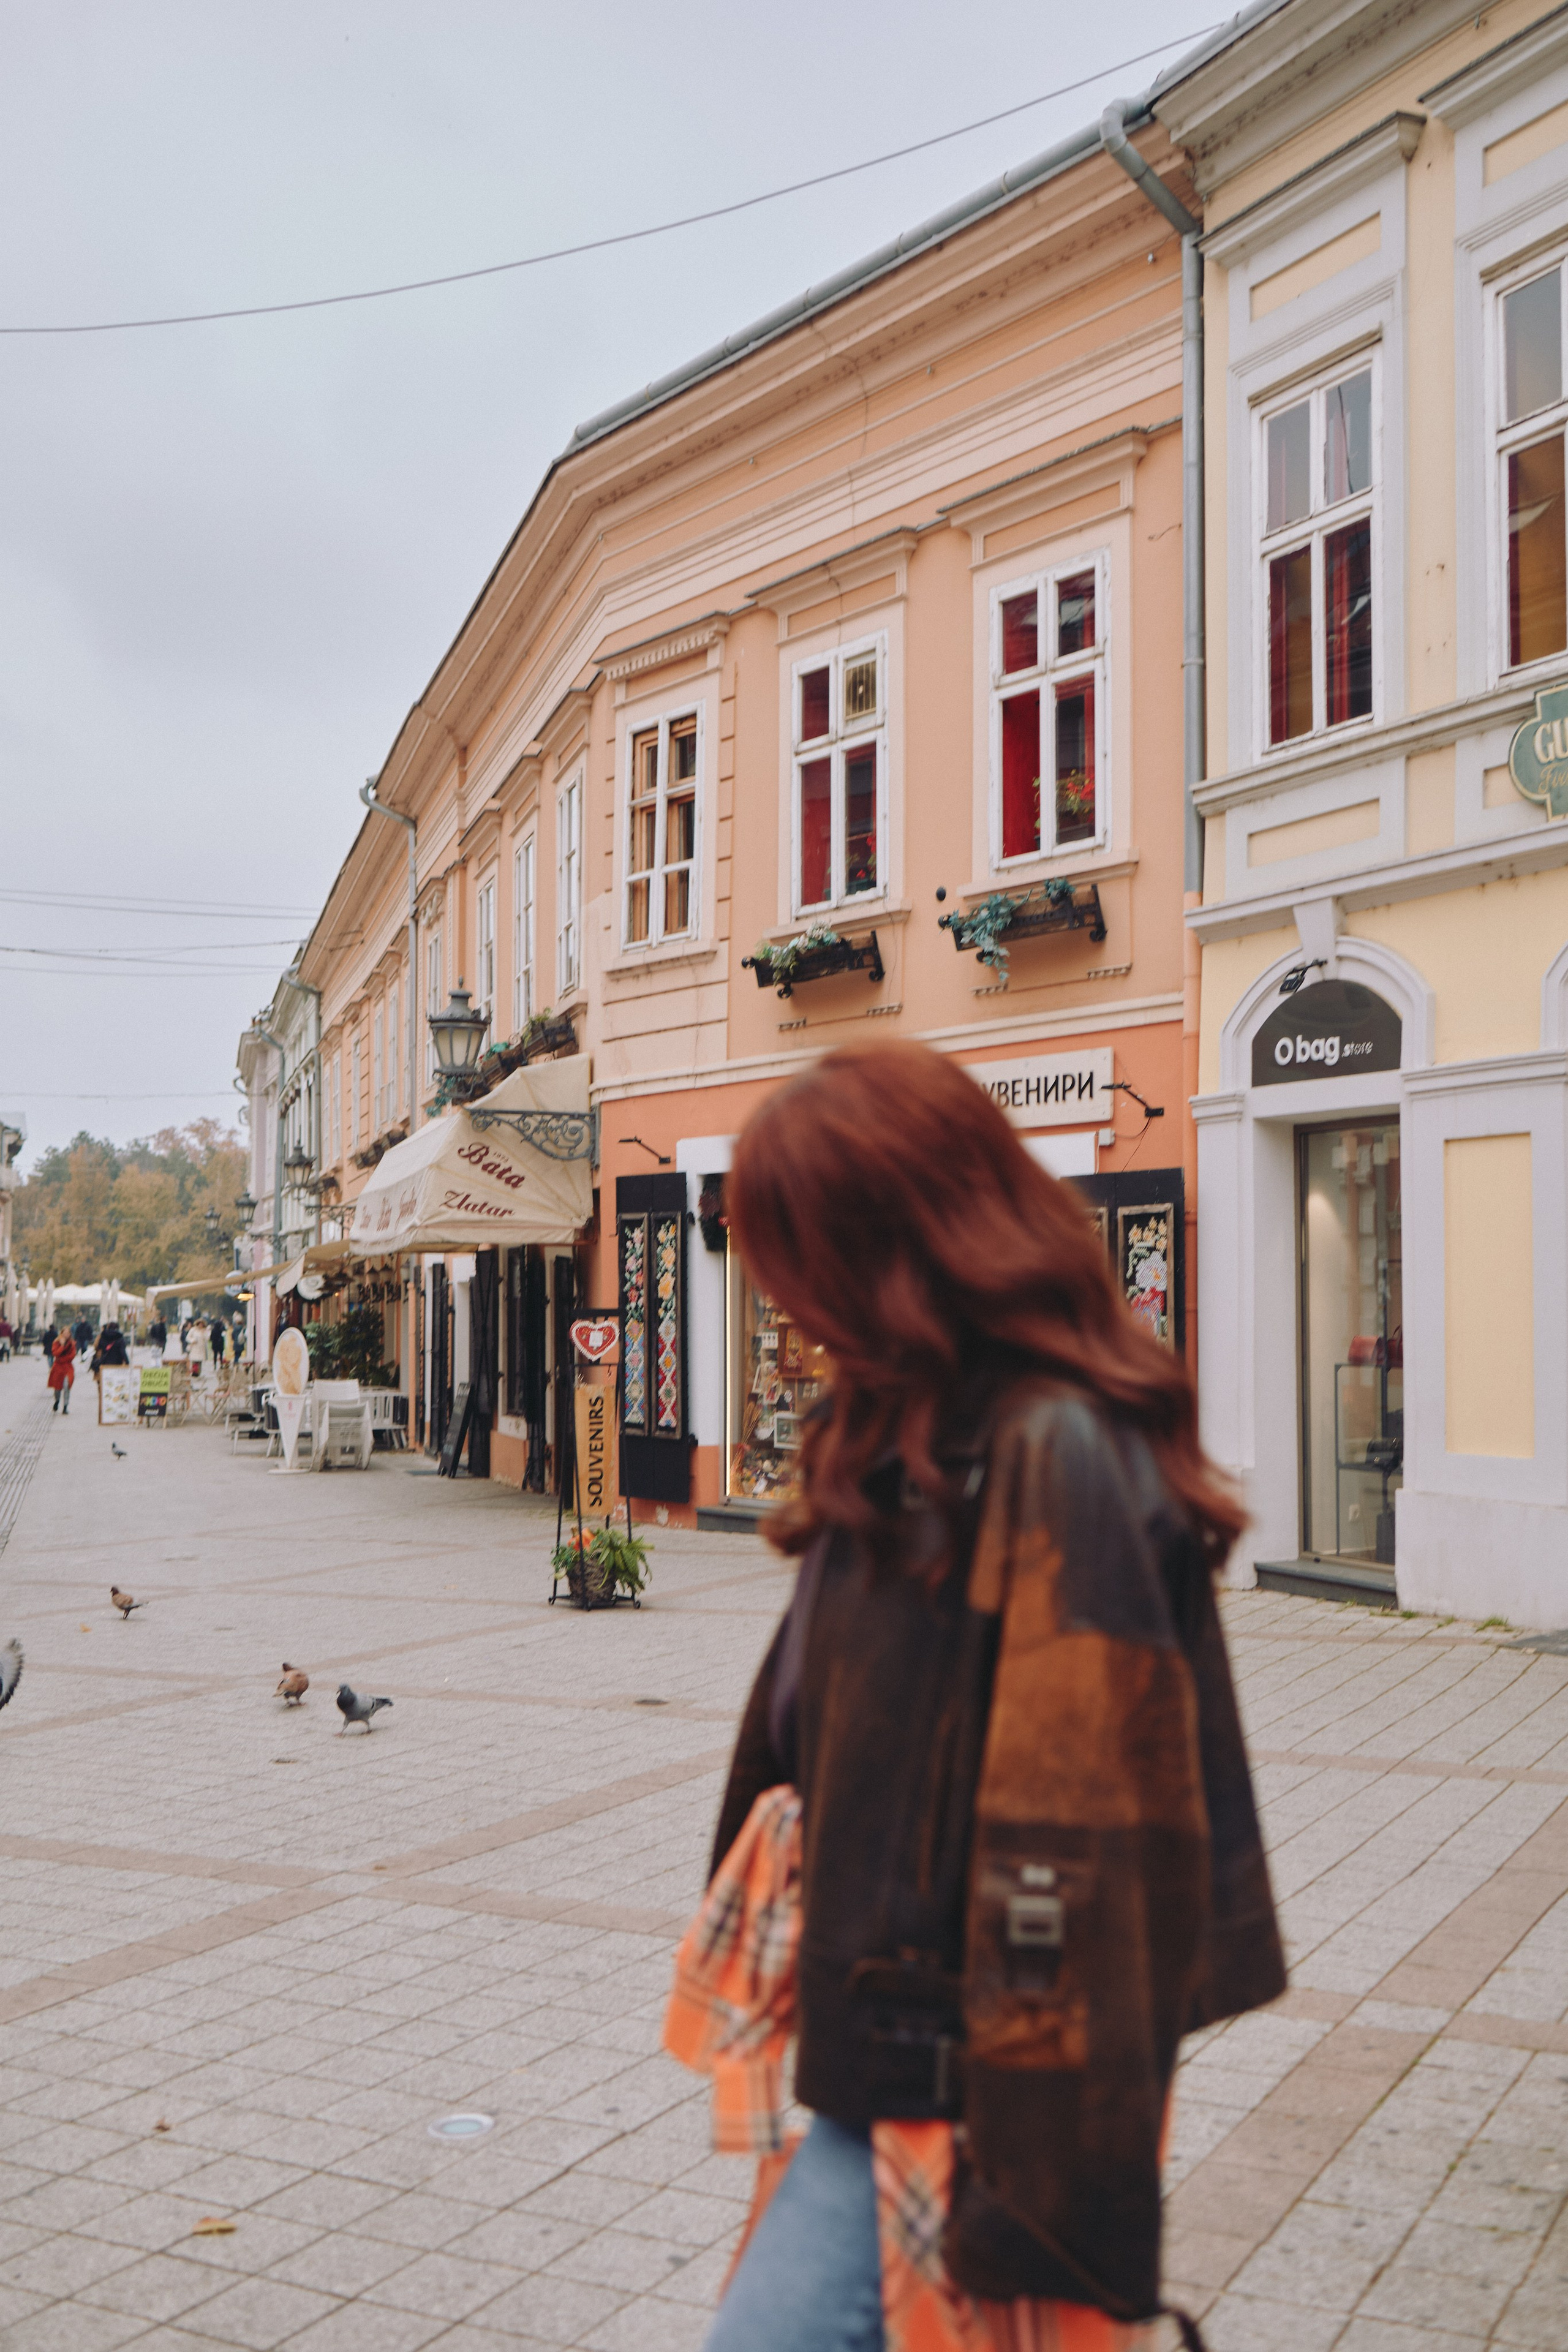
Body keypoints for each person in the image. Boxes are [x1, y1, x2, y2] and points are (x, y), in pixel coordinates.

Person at [685, 1044, 1284, 2352]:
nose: (784, 1295)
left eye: (800, 1255)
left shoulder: (1050, 1451)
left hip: (968, 2083)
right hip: (887, 2050)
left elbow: (1074, 1854)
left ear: (901, 1243)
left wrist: (1030, 2181)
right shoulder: (909, 1432)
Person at [47, 1330, 76, 1415]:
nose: (66, 1335)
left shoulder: (72, 1344)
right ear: (62, 1334)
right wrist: (62, 1346)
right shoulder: (56, 1343)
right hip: (58, 1368)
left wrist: (62, 1359)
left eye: (68, 1333)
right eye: (65, 1334)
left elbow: (72, 1356)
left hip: (68, 1368)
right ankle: (57, 1401)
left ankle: (65, 1407)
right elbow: (56, 1353)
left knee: (67, 1386)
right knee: (58, 1388)